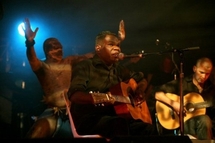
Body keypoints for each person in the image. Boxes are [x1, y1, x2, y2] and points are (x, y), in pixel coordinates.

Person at [68, 20, 158, 140]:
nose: (117, 49)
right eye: (111, 45)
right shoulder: (85, 66)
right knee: (119, 125)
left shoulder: (119, 69)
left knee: (149, 129)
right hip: (89, 119)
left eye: (118, 46)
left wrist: (139, 91)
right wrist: (98, 98)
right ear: (98, 48)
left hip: (116, 117)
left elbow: (142, 79)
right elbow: (74, 95)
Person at [23, 18, 94, 138]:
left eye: (60, 46)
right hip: (53, 113)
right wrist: (30, 43)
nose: (59, 49)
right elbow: (32, 59)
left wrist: (107, 49)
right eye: (54, 46)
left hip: (74, 111)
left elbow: (90, 56)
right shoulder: (43, 66)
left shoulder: (69, 61)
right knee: (36, 132)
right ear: (47, 50)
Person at [154, 57, 215, 140]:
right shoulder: (183, 83)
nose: (204, 76)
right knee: (204, 120)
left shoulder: (211, 89)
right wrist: (174, 104)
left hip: (203, 127)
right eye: (201, 72)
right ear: (194, 69)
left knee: (205, 120)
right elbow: (158, 94)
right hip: (183, 123)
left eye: (207, 74)